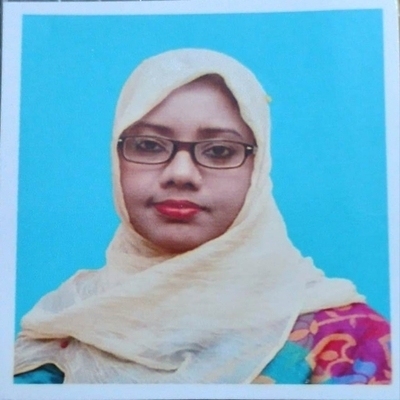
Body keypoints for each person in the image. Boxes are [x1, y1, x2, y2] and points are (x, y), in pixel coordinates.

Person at [14, 49, 391, 384]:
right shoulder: (63, 323)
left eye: (220, 151)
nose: (181, 173)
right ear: (117, 160)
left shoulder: (352, 342)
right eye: (148, 145)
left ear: (258, 170)